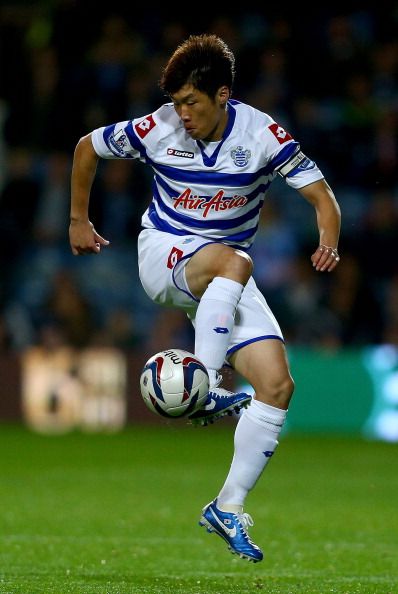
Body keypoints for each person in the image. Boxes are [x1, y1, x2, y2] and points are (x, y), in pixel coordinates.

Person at [69, 34, 341, 563]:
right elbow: (86, 147)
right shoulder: (159, 128)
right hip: (166, 254)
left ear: (223, 94)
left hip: (223, 279)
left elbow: (321, 196)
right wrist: (79, 219)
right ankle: (207, 384)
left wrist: (327, 239)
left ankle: (228, 505)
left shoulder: (262, 134)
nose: (182, 114)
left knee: (277, 384)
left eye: (192, 102)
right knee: (235, 260)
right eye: (176, 103)